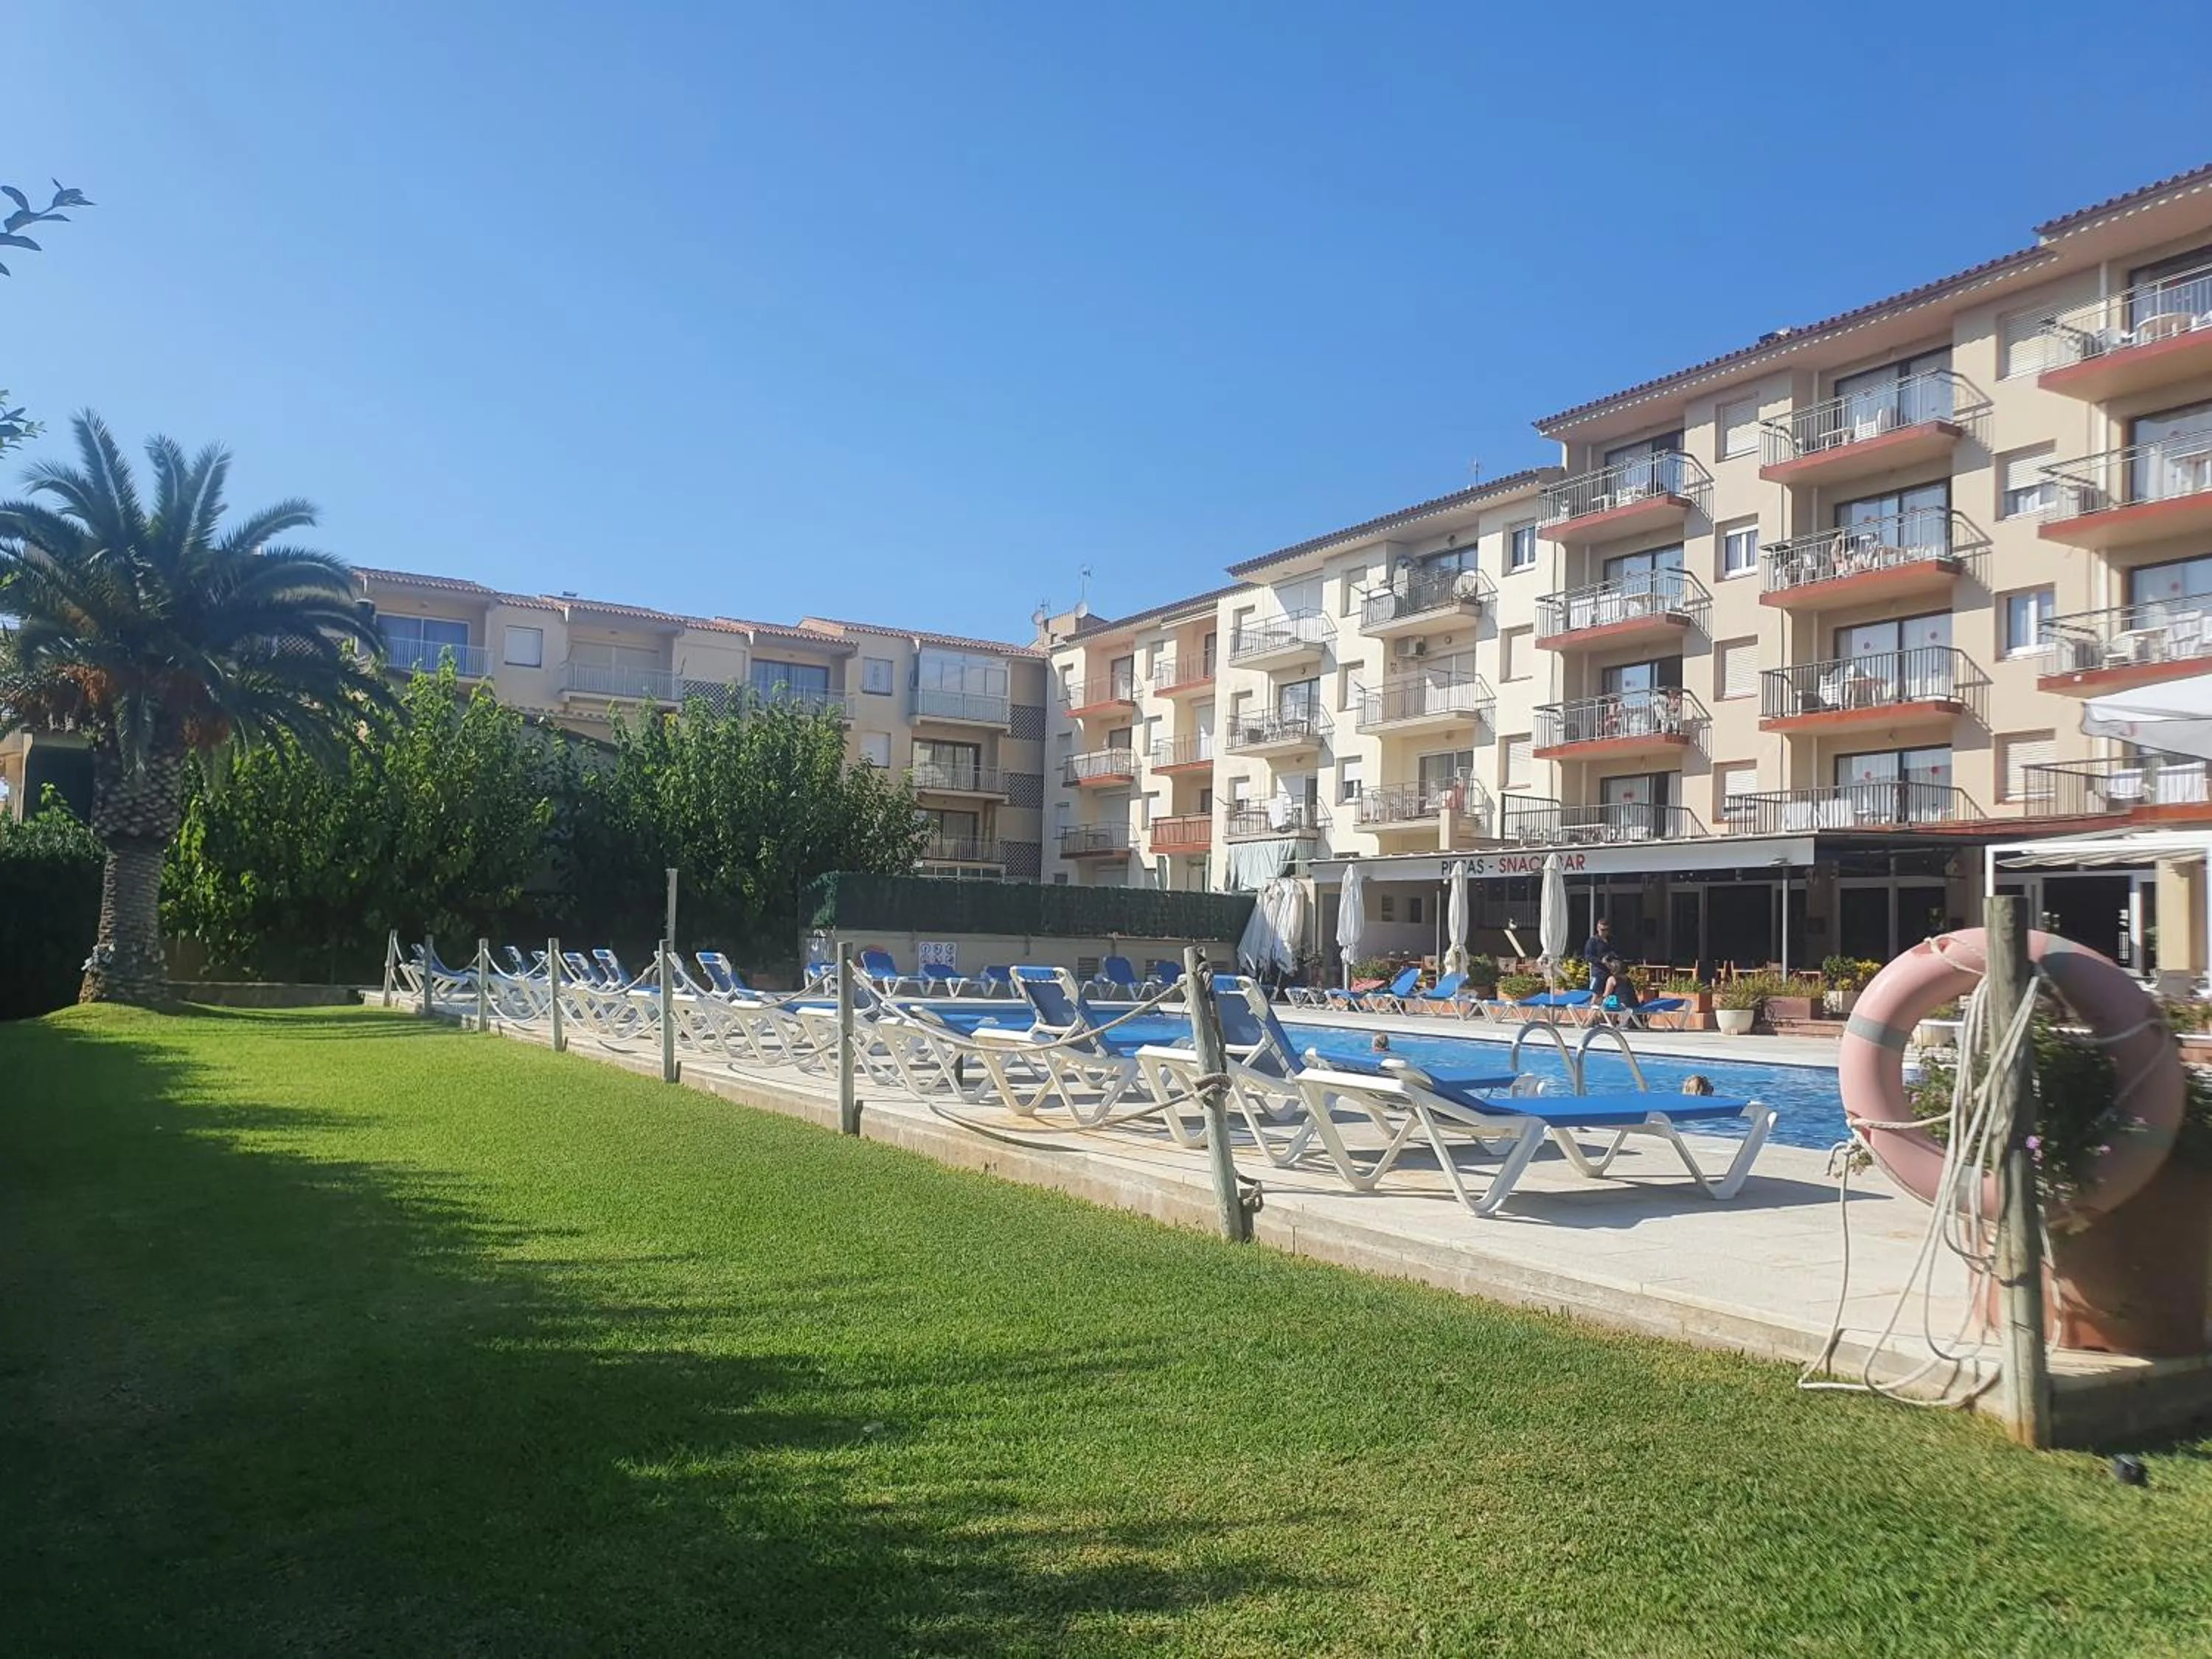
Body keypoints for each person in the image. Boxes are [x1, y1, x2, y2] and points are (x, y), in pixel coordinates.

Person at [1582, 918, 1641, 1007]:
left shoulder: (1612, 940)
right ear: (1598, 928)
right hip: (1599, 972)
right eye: (1602, 930)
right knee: (1596, 996)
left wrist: (1612, 957)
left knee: (1612, 995)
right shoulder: (1593, 941)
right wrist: (1601, 961)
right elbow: (1588, 956)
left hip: (1611, 971)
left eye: (1606, 930)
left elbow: (1619, 952)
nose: (1604, 932)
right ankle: (1592, 1015)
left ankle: (1606, 1014)